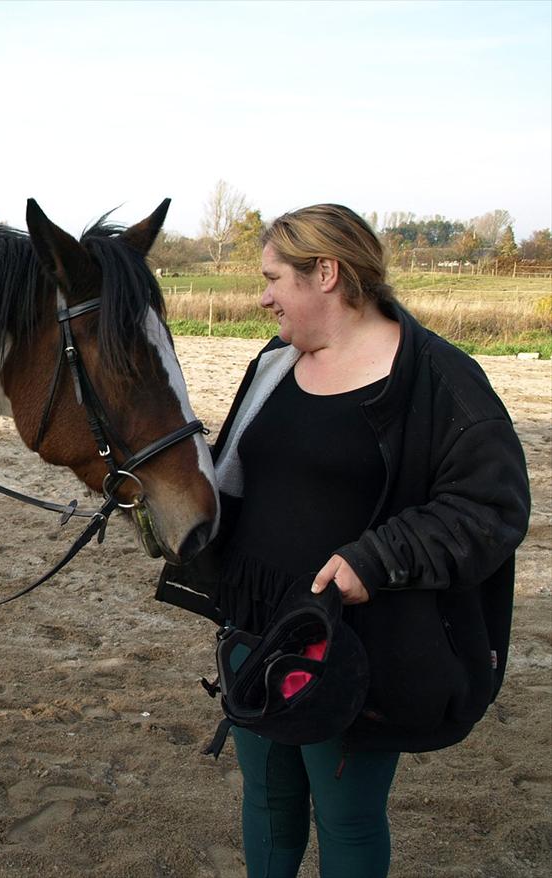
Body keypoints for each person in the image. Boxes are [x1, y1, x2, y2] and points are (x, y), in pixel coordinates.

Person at [157, 204, 530, 878]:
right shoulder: (274, 361)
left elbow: (491, 509)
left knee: (347, 819)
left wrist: (378, 557)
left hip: (357, 644)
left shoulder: (437, 379)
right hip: (257, 631)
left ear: (325, 273)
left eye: (274, 277)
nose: (262, 295)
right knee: (269, 803)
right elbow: (236, 475)